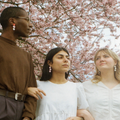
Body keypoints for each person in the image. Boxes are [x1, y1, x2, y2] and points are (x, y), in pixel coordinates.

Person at [0, 6, 43, 120]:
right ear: (13, 21)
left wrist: (28, 116)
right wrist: (24, 90)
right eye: (27, 19)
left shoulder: (26, 56)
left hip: (20, 111)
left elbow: (33, 91)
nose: (30, 25)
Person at [28, 47, 92, 120]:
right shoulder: (38, 85)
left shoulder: (76, 87)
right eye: (60, 57)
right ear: (50, 63)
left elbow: (84, 113)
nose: (65, 60)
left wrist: (80, 119)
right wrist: (26, 90)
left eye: (68, 58)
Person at [77, 48, 120, 120]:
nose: (101, 59)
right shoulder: (85, 86)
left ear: (115, 62)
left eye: (106, 56)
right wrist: (84, 113)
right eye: (97, 58)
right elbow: (73, 107)